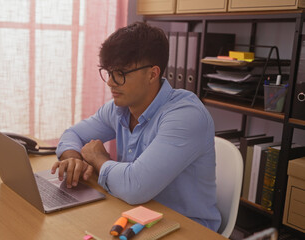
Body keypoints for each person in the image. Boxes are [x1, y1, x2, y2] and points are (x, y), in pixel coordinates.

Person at [51, 22, 221, 232]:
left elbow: (134, 187)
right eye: (108, 72)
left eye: (120, 73)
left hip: (186, 229)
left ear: (152, 74)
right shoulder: (119, 108)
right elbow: (73, 134)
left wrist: (97, 159)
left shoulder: (186, 115)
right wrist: (73, 159)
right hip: (137, 218)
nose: (110, 82)